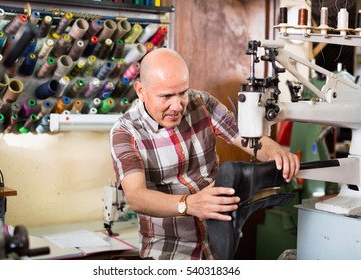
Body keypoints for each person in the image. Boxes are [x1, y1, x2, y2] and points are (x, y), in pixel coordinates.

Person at [110, 48, 300, 260]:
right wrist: (189, 204)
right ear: (140, 91)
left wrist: (275, 152)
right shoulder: (125, 132)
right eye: (166, 96)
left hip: (218, 243)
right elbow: (136, 196)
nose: (177, 105)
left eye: (183, 92)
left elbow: (247, 138)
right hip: (168, 251)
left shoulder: (202, 103)